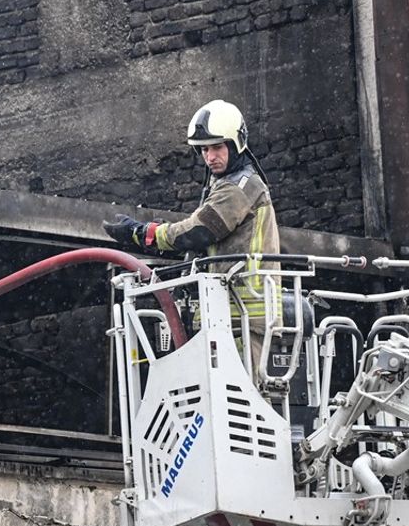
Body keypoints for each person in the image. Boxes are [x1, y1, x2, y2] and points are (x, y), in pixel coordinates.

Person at [103, 99, 281, 380]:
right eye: (204, 150)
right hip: (228, 315)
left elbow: (199, 230)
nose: (210, 157)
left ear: (236, 143)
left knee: (239, 394)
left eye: (217, 147)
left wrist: (143, 233)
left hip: (244, 316)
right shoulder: (226, 184)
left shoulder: (240, 187)